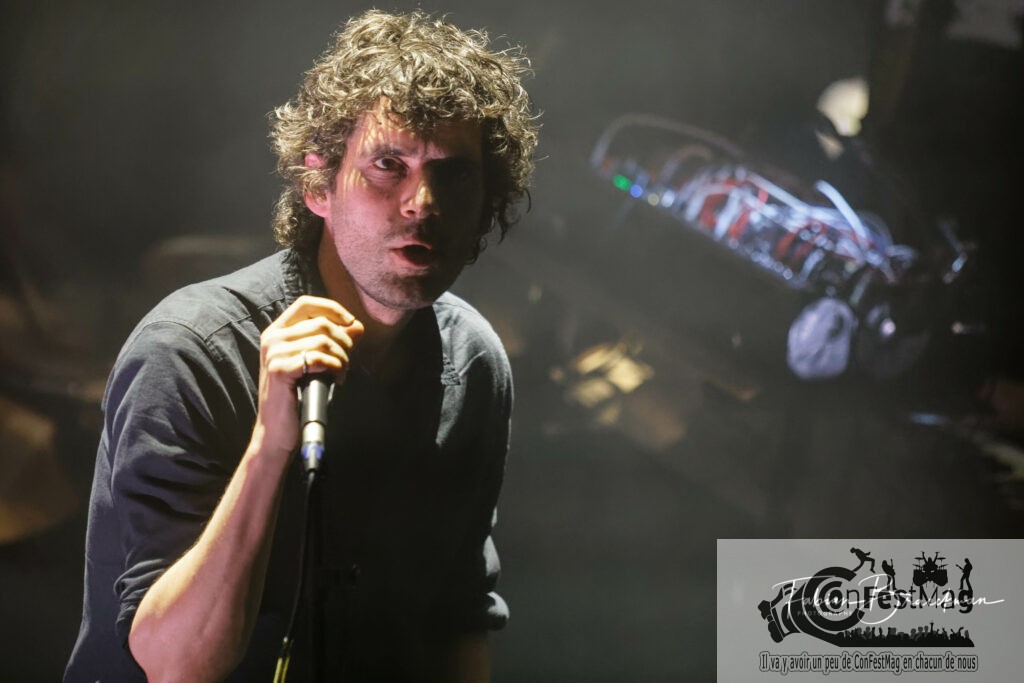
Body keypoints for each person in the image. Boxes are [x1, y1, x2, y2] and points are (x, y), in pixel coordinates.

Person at [64, 9, 538, 682]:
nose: (422, 202)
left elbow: (456, 620)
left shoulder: (474, 361)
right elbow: (176, 665)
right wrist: (270, 447)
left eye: (454, 174)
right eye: (388, 164)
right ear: (319, 183)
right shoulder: (192, 350)